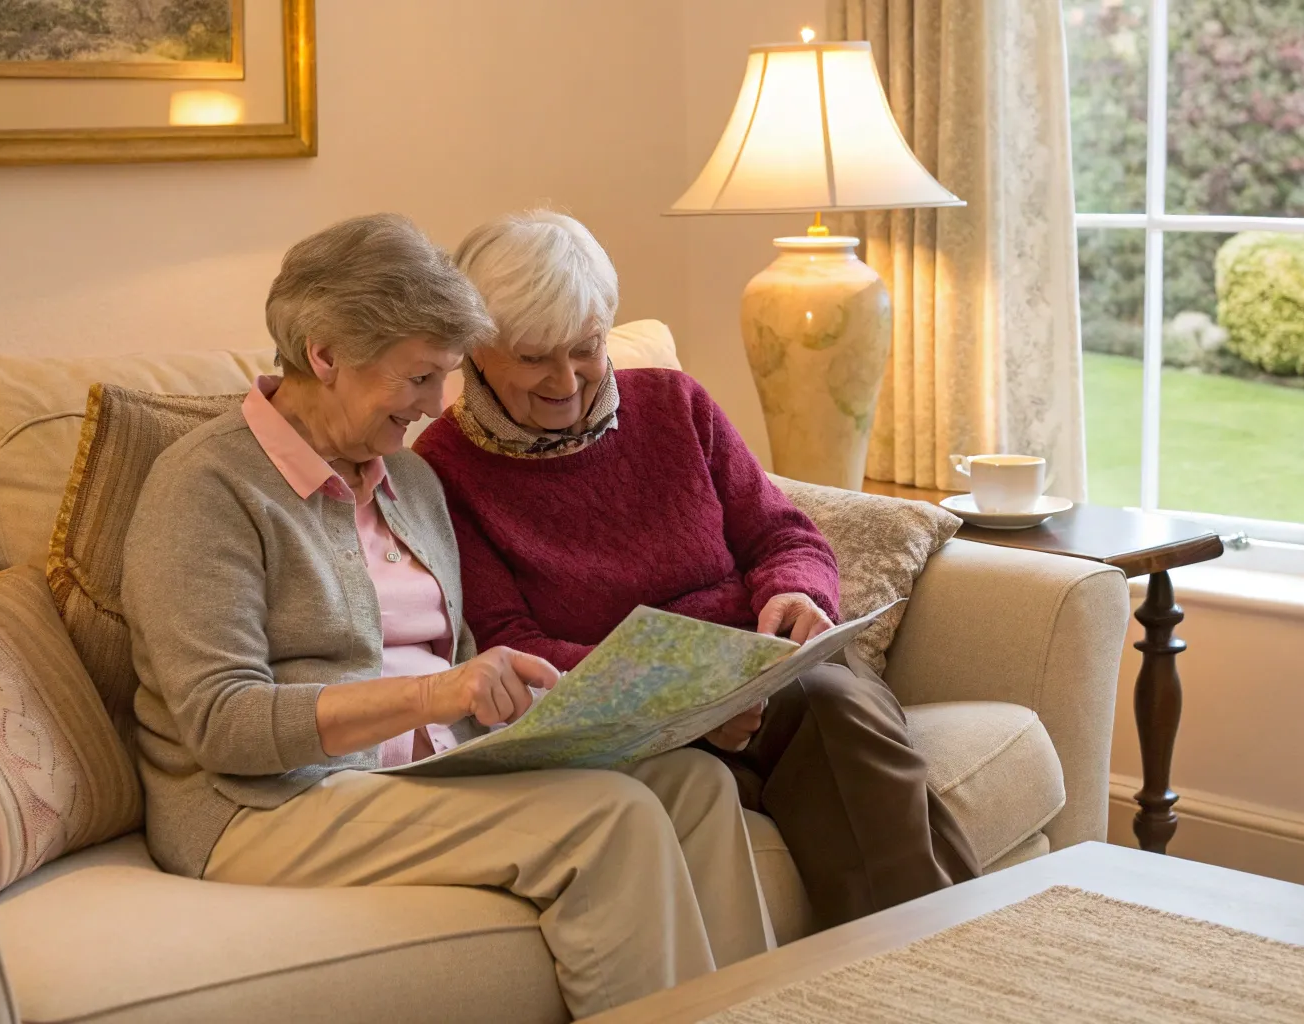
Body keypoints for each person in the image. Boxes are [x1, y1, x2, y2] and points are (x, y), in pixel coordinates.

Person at [120, 213, 771, 1018]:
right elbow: (223, 722)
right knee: (608, 820)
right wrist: (439, 696)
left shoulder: (408, 483)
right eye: (420, 377)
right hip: (272, 803)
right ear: (325, 355)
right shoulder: (207, 487)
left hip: (434, 767)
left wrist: (578, 709)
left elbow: (459, 654)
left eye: (446, 376)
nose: (437, 408)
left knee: (695, 784)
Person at [414, 210, 980, 931]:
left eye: (586, 348)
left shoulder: (675, 406)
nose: (568, 380)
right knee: (841, 719)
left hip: (774, 671)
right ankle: (955, 955)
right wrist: (689, 702)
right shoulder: (444, 469)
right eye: (534, 358)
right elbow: (508, 643)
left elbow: (783, 535)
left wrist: (799, 595)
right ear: (478, 351)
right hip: (642, 722)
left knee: (831, 701)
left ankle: (930, 964)